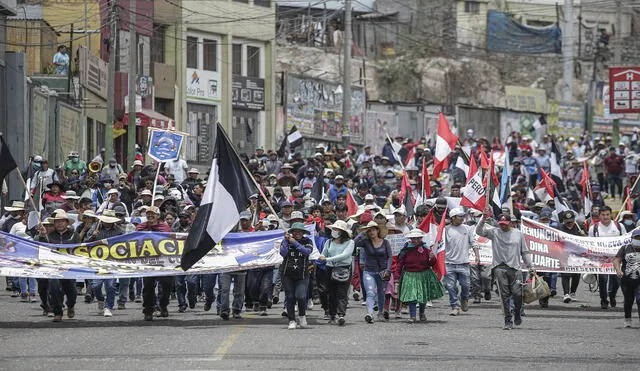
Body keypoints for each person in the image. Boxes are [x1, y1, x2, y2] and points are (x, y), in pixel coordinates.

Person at [476, 212, 534, 330]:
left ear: (510, 223)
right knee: (504, 295)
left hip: (515, 268)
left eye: (505, 224)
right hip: (500, 268)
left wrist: (531, 266)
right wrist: (483, 218)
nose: (503, 226)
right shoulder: (494, 232)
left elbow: (525, 252)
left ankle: (517, 312)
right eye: (501, 224)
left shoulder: (518, 234)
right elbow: (479, 231)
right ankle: (508, 320)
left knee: (518, 294)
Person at [36, 209, 80, 322]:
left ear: (67, 222)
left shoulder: (74, 235)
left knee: (72, 292)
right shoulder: (49, 235)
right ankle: (58, 312)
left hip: (70, 268)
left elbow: (80, 250)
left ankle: (70, 305)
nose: (59, 223)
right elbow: (41, 249)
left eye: (62, 221)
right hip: (54, 268)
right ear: (54, 223)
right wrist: (42, 237)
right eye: (57, 221)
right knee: (54, 289)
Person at [396, 229, 445, 322]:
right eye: (413, 238)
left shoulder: (426, 249)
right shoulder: (406, 250)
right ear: (410, 239)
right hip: (410, 275)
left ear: (421, 238)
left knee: (423, 296)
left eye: (418, 238)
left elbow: (432, 264)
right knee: (412, 297)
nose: (416, 240)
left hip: (424, 274)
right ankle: (413, 316)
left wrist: (432, 258)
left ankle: (422, 313)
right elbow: (400, 264)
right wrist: (397, 277)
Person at [136, 206, 172, 321]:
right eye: (148, 214)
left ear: (158, 216)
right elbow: (134, 236)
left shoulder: (165, 228)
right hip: (148, 261)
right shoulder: (142, 227)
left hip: (163, 261)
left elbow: (170, 240)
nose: (150, 216)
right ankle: (148, 309)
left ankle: (163, 304)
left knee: (167, 285)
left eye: (153, 214)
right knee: (148, 287)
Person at [86, 210, 124, 317]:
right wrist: (93, 236)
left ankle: (108, 307)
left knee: (111, 285)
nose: (107, 222)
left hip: (112, 261)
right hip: (97, 262)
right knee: (95, 285)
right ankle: (100, 300)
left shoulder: (118, 231)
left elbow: (124, 244)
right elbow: (86, 243)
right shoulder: (95, 228)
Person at [318, 220, 355, 326]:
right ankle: (332, 314)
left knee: (342, 293)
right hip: (330, 269)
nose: (334, 231)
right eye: (333, 229)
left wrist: (328, 259)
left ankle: (341, 314)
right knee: (331, 293)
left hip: (343, 268)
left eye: (336, 229)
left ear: (342, 232)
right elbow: (323, 253)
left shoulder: (350, 242)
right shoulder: (329, 242)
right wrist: (322, 257)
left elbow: (345, 255)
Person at [443, 208, 479, 316]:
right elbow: (440, 245)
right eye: (460, 216)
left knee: (466, 285)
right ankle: (454, 306)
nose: (462, 218)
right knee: (450, 286)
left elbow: (473, 242)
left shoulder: (467, 229)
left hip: (463, 263)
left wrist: (477, 255)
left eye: (463, 216)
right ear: (453, 218)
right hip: (449, 263)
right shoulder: (445, 229)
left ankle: (464, 299)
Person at [280, 222, 315, 330]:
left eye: (300, 231)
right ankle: (291, 320)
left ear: (303, 232)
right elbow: (283, 253)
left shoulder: (307, 241)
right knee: (290, 297)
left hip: (302, 274)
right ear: (292, 232)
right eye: (295, 231)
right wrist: (286, 241)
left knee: (301, 296)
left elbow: (307, 252)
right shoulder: (286, 240)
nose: (298, 233)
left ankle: (302, 315)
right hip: (287, 274)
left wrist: (294, 242)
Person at [588, 205, 624, 309]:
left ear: (611, 214)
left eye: (608, 214)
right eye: (603, 215)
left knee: (616, 281)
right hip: (601, 260)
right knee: (602, 280)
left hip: (616, 260)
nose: (605, 217)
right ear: (599, 215)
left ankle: (612, 296)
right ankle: (603, 300)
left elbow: (625, 240)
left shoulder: (619, 226)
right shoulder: (593, 228)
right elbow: (589, 244)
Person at [356, 221, 392, 323]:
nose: (371, 232)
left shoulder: (385, 242)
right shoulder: (365, 242)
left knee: (381, 292)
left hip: (382, 271)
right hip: (369, 271)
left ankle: (380, 312)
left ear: (378, 230)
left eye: (373, 230)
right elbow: (354, 243)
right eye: (369, 230)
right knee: (370, 292)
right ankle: (370, 313)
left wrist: (388, 269)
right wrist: (362, 233)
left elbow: (389, 257)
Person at [613, 229, 640, 328]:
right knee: (628, 300)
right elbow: (617, 260)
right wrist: (618, 270)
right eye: (636, 238)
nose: (638, 240)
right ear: (632, 238)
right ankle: (627, 318)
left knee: (639, 299)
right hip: (626, 280)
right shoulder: (625, 248)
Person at [557, 210, 585, 304]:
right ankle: (566, 294)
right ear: (563, 221)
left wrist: (583, 235)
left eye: (571, 221)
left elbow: (587, 240)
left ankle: (573, 292)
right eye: (567, 221)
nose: (569, 223)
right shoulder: (559, 228)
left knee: (576, 274)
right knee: (566, 274)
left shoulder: (579, 226)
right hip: (564, 253)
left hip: (577, 254)